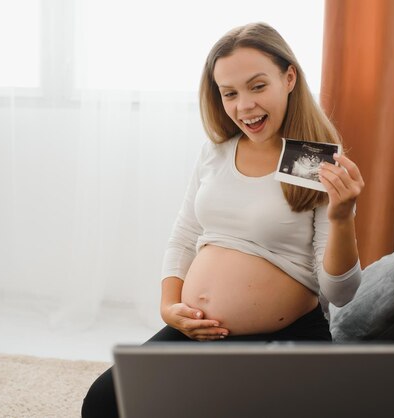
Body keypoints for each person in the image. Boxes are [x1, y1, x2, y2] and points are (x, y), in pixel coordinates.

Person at [81, 22, 365, 417]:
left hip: (283, 338)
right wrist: (169, 308)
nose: (243, 106)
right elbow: (184, 237)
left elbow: (340, 292)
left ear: (289, 78)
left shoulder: (315, 164)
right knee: (104, 403)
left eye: (257, 86)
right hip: (196, 332)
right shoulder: (215, 153)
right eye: (229, 93)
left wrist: (342, 216)